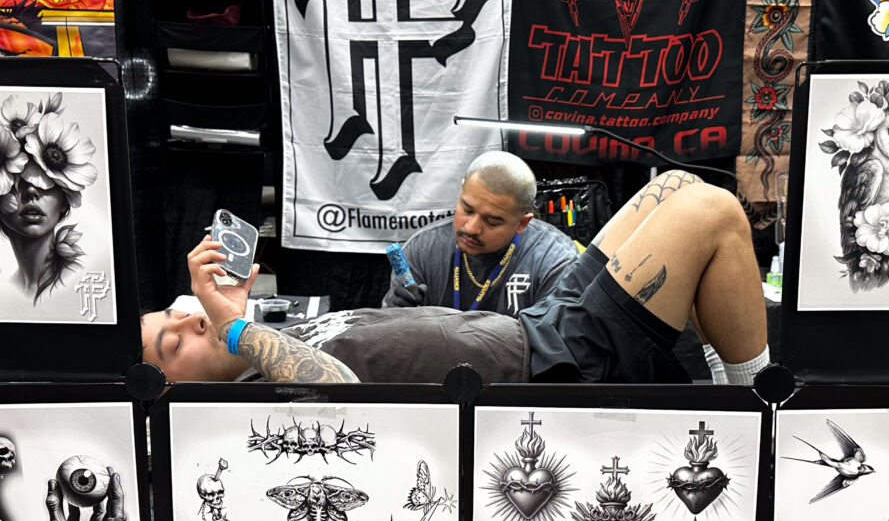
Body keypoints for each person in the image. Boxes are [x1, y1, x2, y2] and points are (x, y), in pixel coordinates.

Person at [141, 170, 768, 386]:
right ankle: (759, 402)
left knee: (674, 186)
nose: (190, 320)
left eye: (176, 314)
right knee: (711, 211)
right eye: (173, 343)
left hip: (536, 328)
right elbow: (340, 387)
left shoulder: (267, 348)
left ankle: (720, 378)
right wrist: (234, 327)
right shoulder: (255, 392)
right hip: (555, 368)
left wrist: (235, 317)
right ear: (166, 392)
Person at [381, 150, 578, 315]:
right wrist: (398, 317)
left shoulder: (554, 262)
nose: (471, 228)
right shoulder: (423, 250)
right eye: (467, 210)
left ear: (522, 223)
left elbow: (552, 344)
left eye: (492, 221)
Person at [0, 95, 98, 303]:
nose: (31, 191)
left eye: (46, 180)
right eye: (17, 178)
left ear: (65, 198)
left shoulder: (78, 281)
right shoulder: (7, 293)